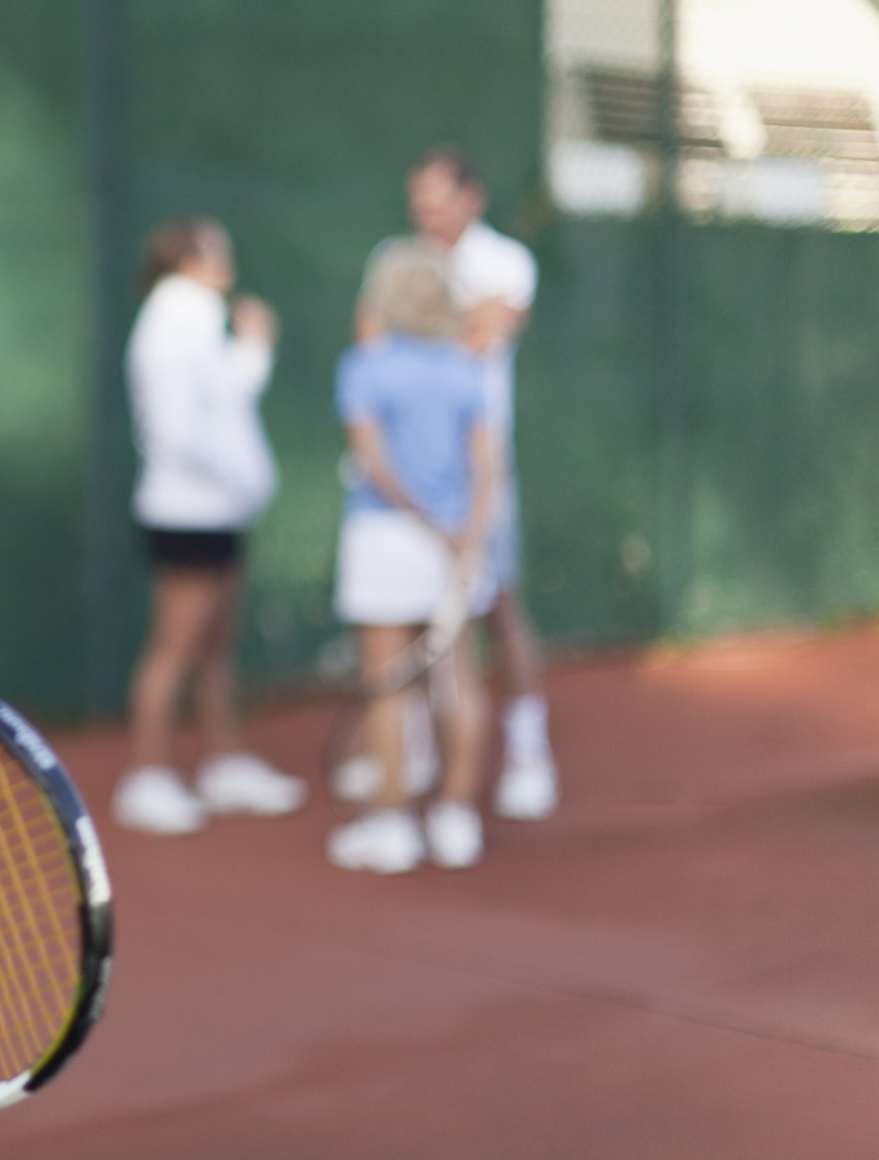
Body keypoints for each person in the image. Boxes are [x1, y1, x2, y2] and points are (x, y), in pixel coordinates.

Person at [113, 219, 306, 835]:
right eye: (217, 247)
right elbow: (177, 431)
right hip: (187, 513)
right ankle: (146, 777)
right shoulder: (173, 324)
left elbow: (227, 398)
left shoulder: (199, 319)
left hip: (219, 511)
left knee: (216, 646)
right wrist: (241, 479)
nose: (228, 257)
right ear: (188, 258)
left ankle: (223, 765)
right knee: (173, 650)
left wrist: (255, 344)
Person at [327, 239, 499, 874]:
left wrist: (433, 525)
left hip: (387, 539)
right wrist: (467, 538)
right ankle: (456, 820)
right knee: (459, 682)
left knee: (388, 688)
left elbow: (375, 461)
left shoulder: (364, 366)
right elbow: (487, 467)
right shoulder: (466, 370)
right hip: (451, 542)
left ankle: (393, 825)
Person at [406, 147, 555, 821]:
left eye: (438, 201)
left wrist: (419, 320)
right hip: (411, 474)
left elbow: (477, 334)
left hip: (481, 472)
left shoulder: (506, 262)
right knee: (407, 613)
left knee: (498, 608)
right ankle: (412, 750)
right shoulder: (403, 257)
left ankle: (528, 755)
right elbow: (373, 333)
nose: (426, 215)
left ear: (473, 198)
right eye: (419, 203)